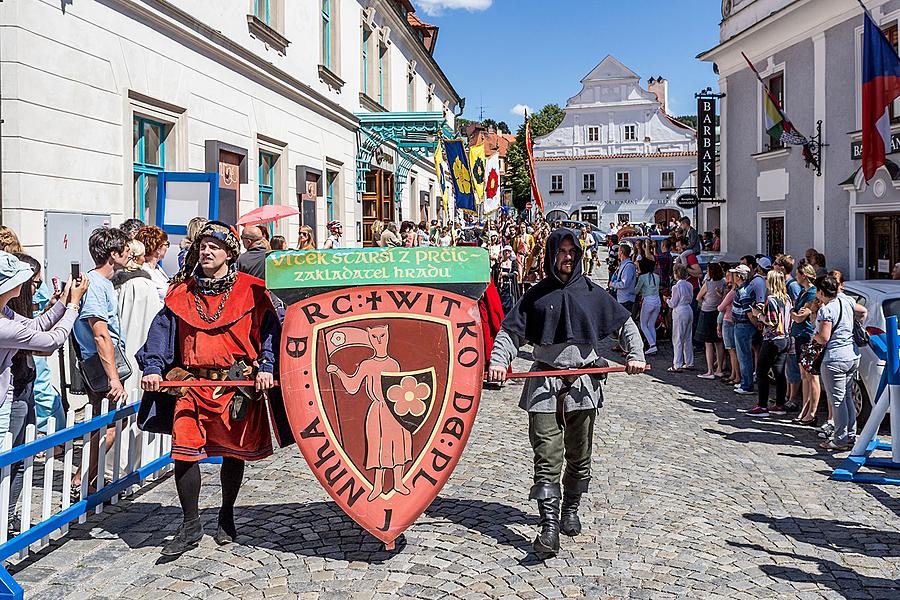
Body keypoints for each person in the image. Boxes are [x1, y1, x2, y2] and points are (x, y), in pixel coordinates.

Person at [487, 228, 645, 556]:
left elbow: (625, 324)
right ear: (550, 254)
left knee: (580, 457)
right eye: (561, 251)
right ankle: (548, 528)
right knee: (546, 456)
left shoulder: (592, 292)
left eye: (572, 251)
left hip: (584, 388)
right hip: (544, 386)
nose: (568, 257)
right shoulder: (536, 295)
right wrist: (499, 361)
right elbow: (509, 333)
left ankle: (569, 510)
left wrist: (635, 355)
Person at [138, 221, 291, 555]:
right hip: (190, 385)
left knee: (233, 452)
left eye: (214, 247)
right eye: (202, 246)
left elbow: (269, 332)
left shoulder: (252, 290)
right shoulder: (180, 292)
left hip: (235, 386)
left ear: (229, 253)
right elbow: (161, 334)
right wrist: (153, 367)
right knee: (183, 450)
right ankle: (190, 524)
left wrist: (266, 366)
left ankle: (226, 515)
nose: (206, 251)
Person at [0, 253, 87, 531]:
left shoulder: (4, 312)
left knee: (12, 460)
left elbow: (35, 325)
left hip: (7, 397)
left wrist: (63, 303)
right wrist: (72, 306)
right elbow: (51, 341)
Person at [71, 227, 132, 497]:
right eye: (126, 250)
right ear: (113, 254)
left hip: (104, 361)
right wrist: (113, 378)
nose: (130, 254)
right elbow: (100, 334)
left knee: (112, 423)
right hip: (101, 364)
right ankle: (81, 480)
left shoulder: (101, 283)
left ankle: (87, 479)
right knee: (108, 425)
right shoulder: (96, 285)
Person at [813, 275, 866, 451]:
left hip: (835, 358)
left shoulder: (827, 310)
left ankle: (840, 440)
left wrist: (814, 335)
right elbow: (862, 311)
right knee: (847, 398)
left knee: (837, 401)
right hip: (851, 355)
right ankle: (850, 436)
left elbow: (824, 338)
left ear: (821, 292)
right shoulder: (847, 301)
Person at [747, 270, 791, 417]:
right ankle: (780, 404)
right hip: (784, 338)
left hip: (772, 339)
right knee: (779, 373)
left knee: (761, 372)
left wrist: (758, 314)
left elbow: (771, 322)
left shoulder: (771, 300)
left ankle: (762, 405)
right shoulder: (787, 299)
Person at [790, 263, 820, 425]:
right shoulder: (803, 292)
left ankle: (810, 411)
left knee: (810, 375)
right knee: (804, 376)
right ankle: (804, 409)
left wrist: (792, 313)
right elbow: (797, 313)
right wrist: (794, 313)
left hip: (806, 335)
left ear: (805, 275)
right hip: (799, 335)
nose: (796, 275)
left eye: (799, 273)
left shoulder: (812, 293)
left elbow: (800, 317)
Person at [696, 262, 726, 379]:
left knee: (708, 343)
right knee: (718, 342)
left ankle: (710, 370)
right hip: (718, 312)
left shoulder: (708, 284)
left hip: (707, 311)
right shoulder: (723, 282)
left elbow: (698, 296)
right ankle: (719, 368)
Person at [730, 265, 757, 395]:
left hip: (743, 326)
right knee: (743, 355)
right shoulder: (742, 289)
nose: (733, 277)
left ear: (740, 276)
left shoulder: (744, 292)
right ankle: (745, 382)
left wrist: (756, 325)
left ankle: (747, 385)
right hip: (741, 325)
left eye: (735, 274)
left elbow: (749, 313)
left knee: (744, 356)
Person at [667, 265, 694, 372]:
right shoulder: (689, 285)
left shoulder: (676, 287)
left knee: (678, 338)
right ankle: (689, 362)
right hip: (688, 309)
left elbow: (673, 303)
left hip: (680, 311)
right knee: (688, 337)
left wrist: (667, 300)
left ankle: (677, 364)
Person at [135, 226, 171, 302]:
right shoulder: (144, 272)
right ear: (158, 248)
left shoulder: (157, 268)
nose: (167, 247)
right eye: (166, 244)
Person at [634, 257, 661, 355]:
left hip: (648, 302)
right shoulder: (656, 276)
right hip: (657, 301)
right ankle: (653, 345)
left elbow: (636, 291)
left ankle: (652, 344)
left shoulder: (642, 277)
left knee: (643, 324)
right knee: (651, 325)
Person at [718, 268, 739, 386]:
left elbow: (720, 307)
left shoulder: (732, 292)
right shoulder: (735, 291)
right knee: (733, 351)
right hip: (732, 320)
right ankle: (734, 374)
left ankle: (735, 375)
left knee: (732, 350)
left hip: (728, 320)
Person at [609, 244, 637, 313]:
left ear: (621, 252)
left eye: (618, 251)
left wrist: (612, 284)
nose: (617, 253)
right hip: (621, 298)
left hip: (626, 299)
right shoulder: (623, 264)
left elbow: (624, 284)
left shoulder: (628, 266)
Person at [493, 246, 520, 315]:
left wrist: (506, 274)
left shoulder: (513, 263)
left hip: (509, 287)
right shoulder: (500, 264)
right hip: (501, 287)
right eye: (505, 251)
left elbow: (515, 274)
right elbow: (494, 274)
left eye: (508, 251)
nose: (507, 252)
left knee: (509, 305)